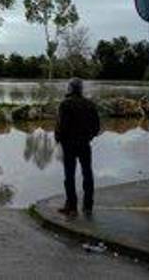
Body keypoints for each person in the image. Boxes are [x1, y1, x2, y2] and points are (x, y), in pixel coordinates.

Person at [54, 78, 100, 216]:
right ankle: (88, 206)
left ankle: (72, 207)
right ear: (81, 89)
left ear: (70, 88)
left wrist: (58, 139)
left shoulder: (65, 104)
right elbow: (97, 127)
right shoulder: (90, 104)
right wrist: (89, 136)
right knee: (87, 173)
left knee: (69, 175)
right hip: (85, 144)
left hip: (69, 145)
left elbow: (61, 126)